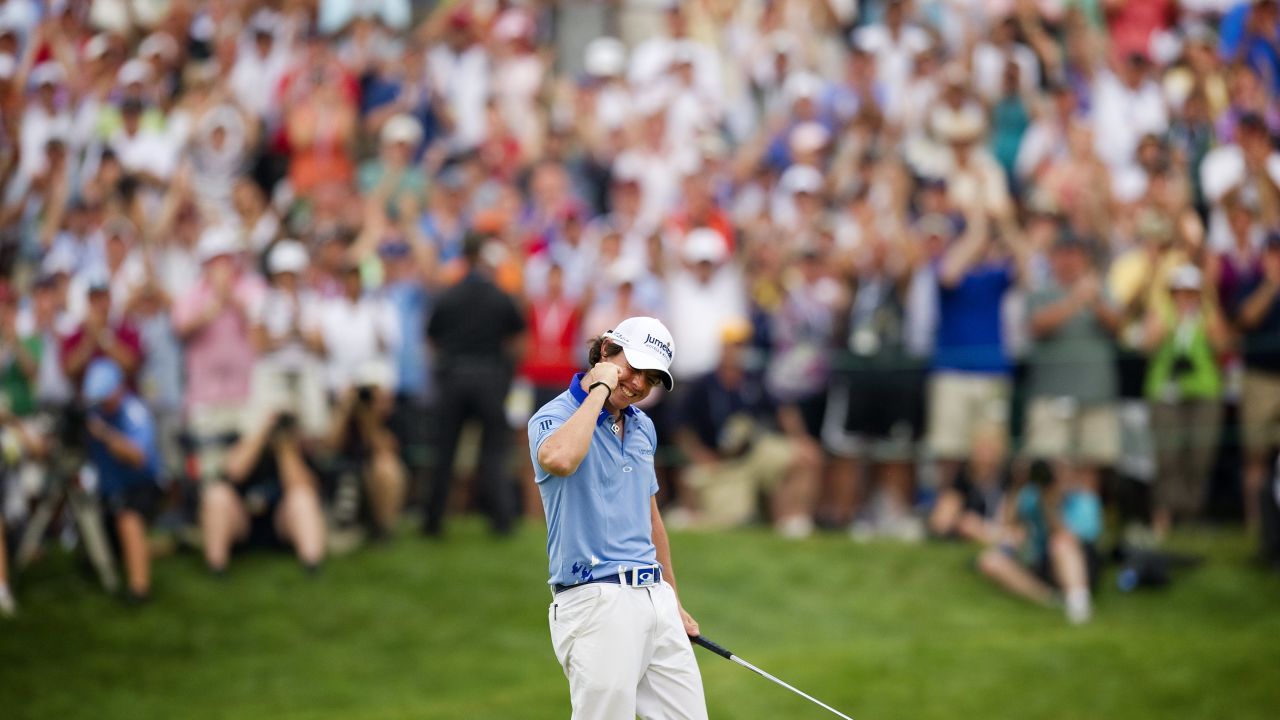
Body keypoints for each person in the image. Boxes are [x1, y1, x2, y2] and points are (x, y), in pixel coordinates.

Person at [528, 316, 707, 719]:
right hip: (593, 598)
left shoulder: (644, 426)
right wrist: (602, 386)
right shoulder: (551, 416)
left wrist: (672, 599)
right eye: (634, 367)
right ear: (607, 350)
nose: (640, 384)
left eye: (652, 378)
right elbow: (560, 459)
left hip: (653, 596)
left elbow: (651, 518)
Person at [675, 319, 819, 537]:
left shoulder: (755, 380)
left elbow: (783, 409)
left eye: (742, 345)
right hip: (719, 462)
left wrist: (800, 439)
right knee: (722, 515)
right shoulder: (703, 384)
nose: (737, 351)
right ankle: (691, 513)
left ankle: (792, 519)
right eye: (733, 345)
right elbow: (680, 425)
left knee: (803, 457)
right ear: (722, 348)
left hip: (754, 454)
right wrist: (700, 455)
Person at [424, 233, 526, 537]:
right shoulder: (499, 294)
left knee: (444, 452)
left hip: (453, 378)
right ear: (482, 256)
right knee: (493, 452)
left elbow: (431, 338)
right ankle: (502, 521)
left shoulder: (449, 294)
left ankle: (433, 522)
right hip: (489, 379)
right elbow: (517, 339)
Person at [977, 460, 1101, 625]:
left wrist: (1049, 505)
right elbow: (1008, 525)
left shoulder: (1084, 500)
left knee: (1060, 543)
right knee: (990, 560)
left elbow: (1073, 540)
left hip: (1079, 564)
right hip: (1042, 562)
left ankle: (1079, 604)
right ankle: (1050, 600)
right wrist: (1017, 485)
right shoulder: (1031, 496)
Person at [82, 358, 161, 603]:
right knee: (108, 536)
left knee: (128, 518)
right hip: (107, 491)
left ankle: (139, 588)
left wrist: (104, 435)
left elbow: (138, 456)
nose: (103, 401)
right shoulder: (93, 414)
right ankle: (160, 546)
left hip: (139, 487)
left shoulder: (133, 411)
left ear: (119, 388)